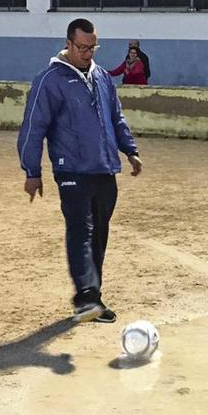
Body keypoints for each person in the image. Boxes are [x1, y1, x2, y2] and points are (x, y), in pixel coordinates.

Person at [17, 18, 144, 323]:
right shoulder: (49, 80)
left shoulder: (101, 77)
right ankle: (85, 295)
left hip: (104, 169)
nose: (89, 53)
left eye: (93, 47)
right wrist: (32, 170)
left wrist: (130, 150)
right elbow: (33, 127)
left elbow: (117, 117)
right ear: (69, 44)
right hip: (71, 169)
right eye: (83, 47)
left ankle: (93, 298)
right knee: (81, 231)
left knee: (99, 235)